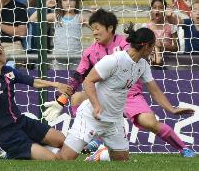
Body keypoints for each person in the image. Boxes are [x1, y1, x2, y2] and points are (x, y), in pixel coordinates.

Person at [43, 9, 196, 159]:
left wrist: (172, 109)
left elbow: (153, 89)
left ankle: (183, 148)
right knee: (76, 98)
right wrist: (61, 101)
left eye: (97, 28)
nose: (94, 33)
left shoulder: (128, 46)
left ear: (110, 28)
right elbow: (79, 78)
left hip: (129, 96)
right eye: (92, 29)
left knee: (148, 125)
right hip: (102, 102)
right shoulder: (93, 53)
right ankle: (92, 139)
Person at [0, 37, 73, 160]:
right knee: (53, 159)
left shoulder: (8, 71)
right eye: (3, 51)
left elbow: (33, 82)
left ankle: (27, 148)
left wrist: (56, 84)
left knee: (62, 141)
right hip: (6, 133)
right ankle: (12, 153)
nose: (5, 54)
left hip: (21, 122)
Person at [30, 0, 91, 70]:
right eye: (65, 0)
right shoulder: (55, 16)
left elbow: (97, 28)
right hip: (58, 56)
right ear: (60, 2)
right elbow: (32, 19)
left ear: (76, 2)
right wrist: (44, 5)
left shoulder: (80, 18)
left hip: (76, 56)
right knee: (59, 79)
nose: (68, 2)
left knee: (75, 80)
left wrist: (96, 16)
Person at [144, 0, 178, 65]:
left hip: (169, 62)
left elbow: (177, 48)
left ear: (165, 10)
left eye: (161, 8)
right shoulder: (145, 27)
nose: (157, 10)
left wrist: (162, 45)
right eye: (154, 7)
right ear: (151, 10)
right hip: (150, 60)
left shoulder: (171, 26)